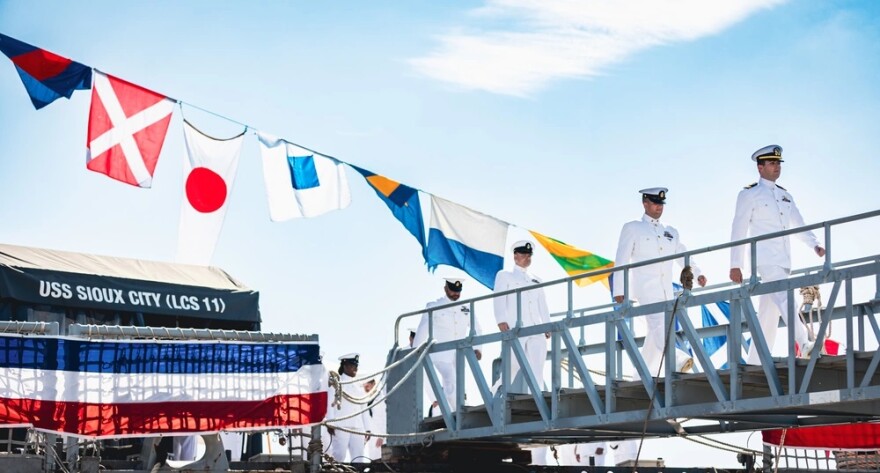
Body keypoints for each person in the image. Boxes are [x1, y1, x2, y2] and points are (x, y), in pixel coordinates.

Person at [730, 145, 825, 365]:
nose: (777, 167)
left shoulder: (785, 195)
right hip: (764, 258)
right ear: (760, 167)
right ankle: (804, 342)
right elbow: (739, 228)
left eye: (778, 163)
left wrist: (815, 244)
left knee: (769, 313)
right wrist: (736, 264)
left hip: (783, 259)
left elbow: (798, 223)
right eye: (772, 163)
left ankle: (755, 361)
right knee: (784, 297)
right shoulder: (749, 194)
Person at [613, 187, 707, 377]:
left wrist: (697, 274)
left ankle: (641, 374)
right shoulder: (633, 228)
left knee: (658, 329)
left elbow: (682, 255)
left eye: (661, 204)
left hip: (665, 289)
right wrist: (619, 290)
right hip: (645, 287)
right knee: (658, 324)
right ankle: (679, 360)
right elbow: (621, 259)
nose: (659, 207)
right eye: (655, 203)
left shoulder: (670, 231)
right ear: (645, 203)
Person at [413, 278, 483, 411]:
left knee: (459, 383)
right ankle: (458, 412)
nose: (456, 294)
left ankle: (448, 410)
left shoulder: (466, 308)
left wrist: (478, 348)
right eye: (453, 291)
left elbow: (477, 329)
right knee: (450, 379)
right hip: (441, 354)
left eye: (458, 291)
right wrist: (414, 351)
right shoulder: (434, 306)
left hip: (459, 354)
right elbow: (423, 329)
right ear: (445, 288)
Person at [493, 240, 551, 394]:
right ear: (515, 256)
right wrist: (501, 320)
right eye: (524, 254)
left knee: (537, 367)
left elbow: (542, 304)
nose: (527, 257)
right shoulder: (505, 276)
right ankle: (495, 395)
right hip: (516, 327)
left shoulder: (536, 279)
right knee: (511, 367)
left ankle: (538, 397)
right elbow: (499, 298)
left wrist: (547, 324)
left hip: (536, 328)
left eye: (529, 255)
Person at [326, 353, 370, 463]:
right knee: (339, 456)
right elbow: (330, 404)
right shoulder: (337, 383)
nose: (355, 368)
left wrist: (367, 428)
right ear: (345, 366)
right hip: (342, 425)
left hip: (358, 427)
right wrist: (330, 423)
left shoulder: (358, 385)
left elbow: (364, 407)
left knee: (359, 458)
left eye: (356, 366)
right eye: (352, 365)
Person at [363, 378, 386, 460]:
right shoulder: (367, 400)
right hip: (372, 436)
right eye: (364, 387)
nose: (366, 389)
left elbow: (385, 418)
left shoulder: (381, 399)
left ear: (373, 384)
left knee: (382, 459)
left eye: (367, 386)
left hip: (380, 436)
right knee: (373, 460)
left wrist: (382, 436)